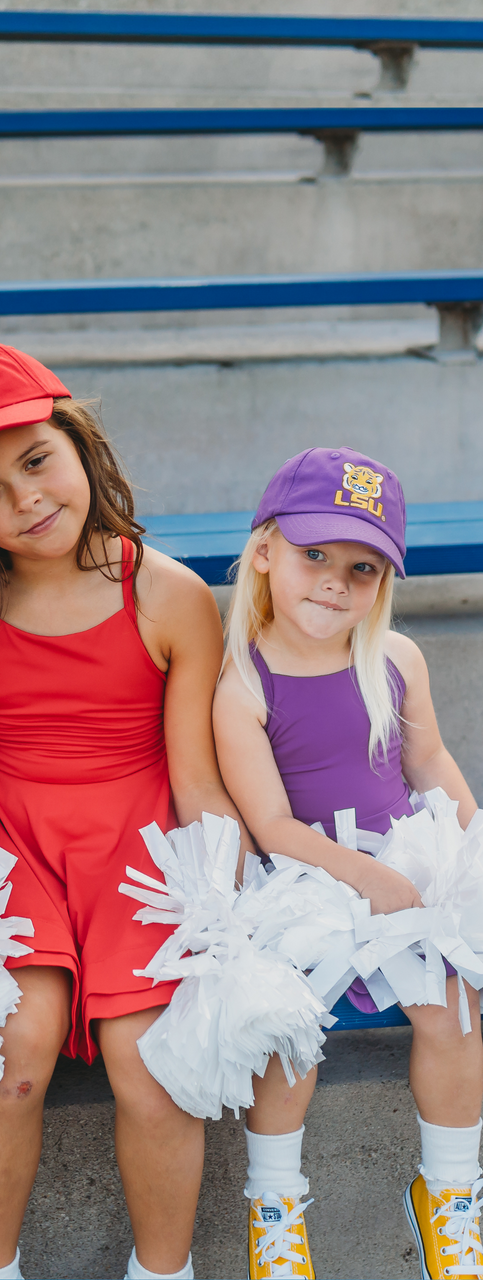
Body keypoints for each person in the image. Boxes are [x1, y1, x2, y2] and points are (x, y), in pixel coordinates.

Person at [0, 344, 243, 1280]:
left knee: (151, 1064)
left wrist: (222, 902)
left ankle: (162, 1270)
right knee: (16, 1050)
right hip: (9, 839)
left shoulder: (168, 594)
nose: (24, 499)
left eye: (35, 459)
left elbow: (197, 778)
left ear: (80, 444)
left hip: (136, 845)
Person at [214, 446, 483, 1280]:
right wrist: (360, 878)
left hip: (398, 854)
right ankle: (275, 1209)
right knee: (291, 1021)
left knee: (455, 1001)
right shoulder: (243, 681)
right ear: (265, 551)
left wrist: (473, 831)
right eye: (314, 554)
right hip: (305, 876)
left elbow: (430, 760)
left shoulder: (395, 659)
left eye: (361, 567)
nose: (334, 581)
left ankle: (451, 1199)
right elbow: (268, 821)